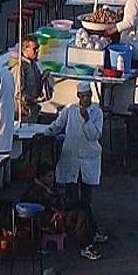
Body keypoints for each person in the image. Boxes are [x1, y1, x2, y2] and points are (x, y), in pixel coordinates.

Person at [51, 84, 105, 257]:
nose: (85, 99)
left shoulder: (97, 113)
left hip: (89, 161)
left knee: (86, 201)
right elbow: (57, 126)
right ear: (78, 96)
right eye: (82, 96)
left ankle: (89, 232)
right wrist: (45, 133)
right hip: (72, 160)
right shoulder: (69, 110)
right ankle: (86, 233)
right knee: (74, 201)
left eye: (88, 96)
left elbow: (94, 135)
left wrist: (86, 119)